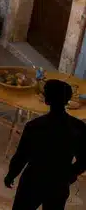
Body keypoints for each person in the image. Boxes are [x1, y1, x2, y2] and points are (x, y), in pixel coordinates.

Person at [5, 79, 86, 210]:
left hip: (32, 181)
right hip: (58, 183)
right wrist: (70, 174)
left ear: (47, 100)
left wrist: (11, 175)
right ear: (67, 100)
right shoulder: (78, 128)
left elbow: (21, 156)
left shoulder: (34, 126)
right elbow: (84, 159)